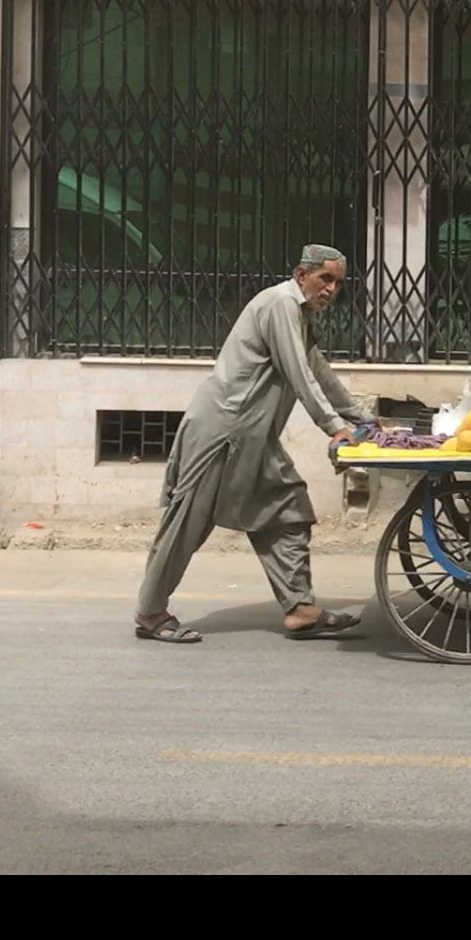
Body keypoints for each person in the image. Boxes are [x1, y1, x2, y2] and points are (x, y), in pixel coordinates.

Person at [133, 245, 367, 645]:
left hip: (255, 437)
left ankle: (300, 608)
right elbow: (298, 373)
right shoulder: (281, 304)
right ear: (301, 274)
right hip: (224, 429)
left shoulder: (300, 315)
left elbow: (319, 371)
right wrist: (333, 426)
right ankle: (151, 612)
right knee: (188, 520)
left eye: (339, 283)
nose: (331, 289)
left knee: (287, 510)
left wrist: (363, 418)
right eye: (325, 278)